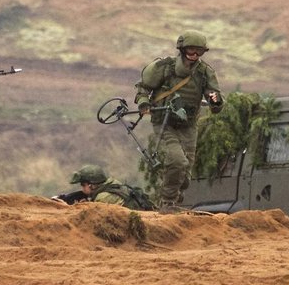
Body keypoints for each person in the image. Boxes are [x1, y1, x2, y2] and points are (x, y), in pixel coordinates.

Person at [134, 30, 224, 212]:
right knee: (177, 161)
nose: (195, 55)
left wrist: (216, 101)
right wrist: (144, 102)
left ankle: (174, 200)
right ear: (182, 49)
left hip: (188, 125)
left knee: (186, 175)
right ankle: (166, 203)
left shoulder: (205, 72)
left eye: (199, 51)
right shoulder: (164, 67)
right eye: (191, 50)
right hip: (164, 122)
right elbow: (143, 88)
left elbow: (214, 97)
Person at [54, 165, 154, 210]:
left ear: (92, 185)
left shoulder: (103, 197)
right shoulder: (111, 184)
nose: (82, 189)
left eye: (83, 185)